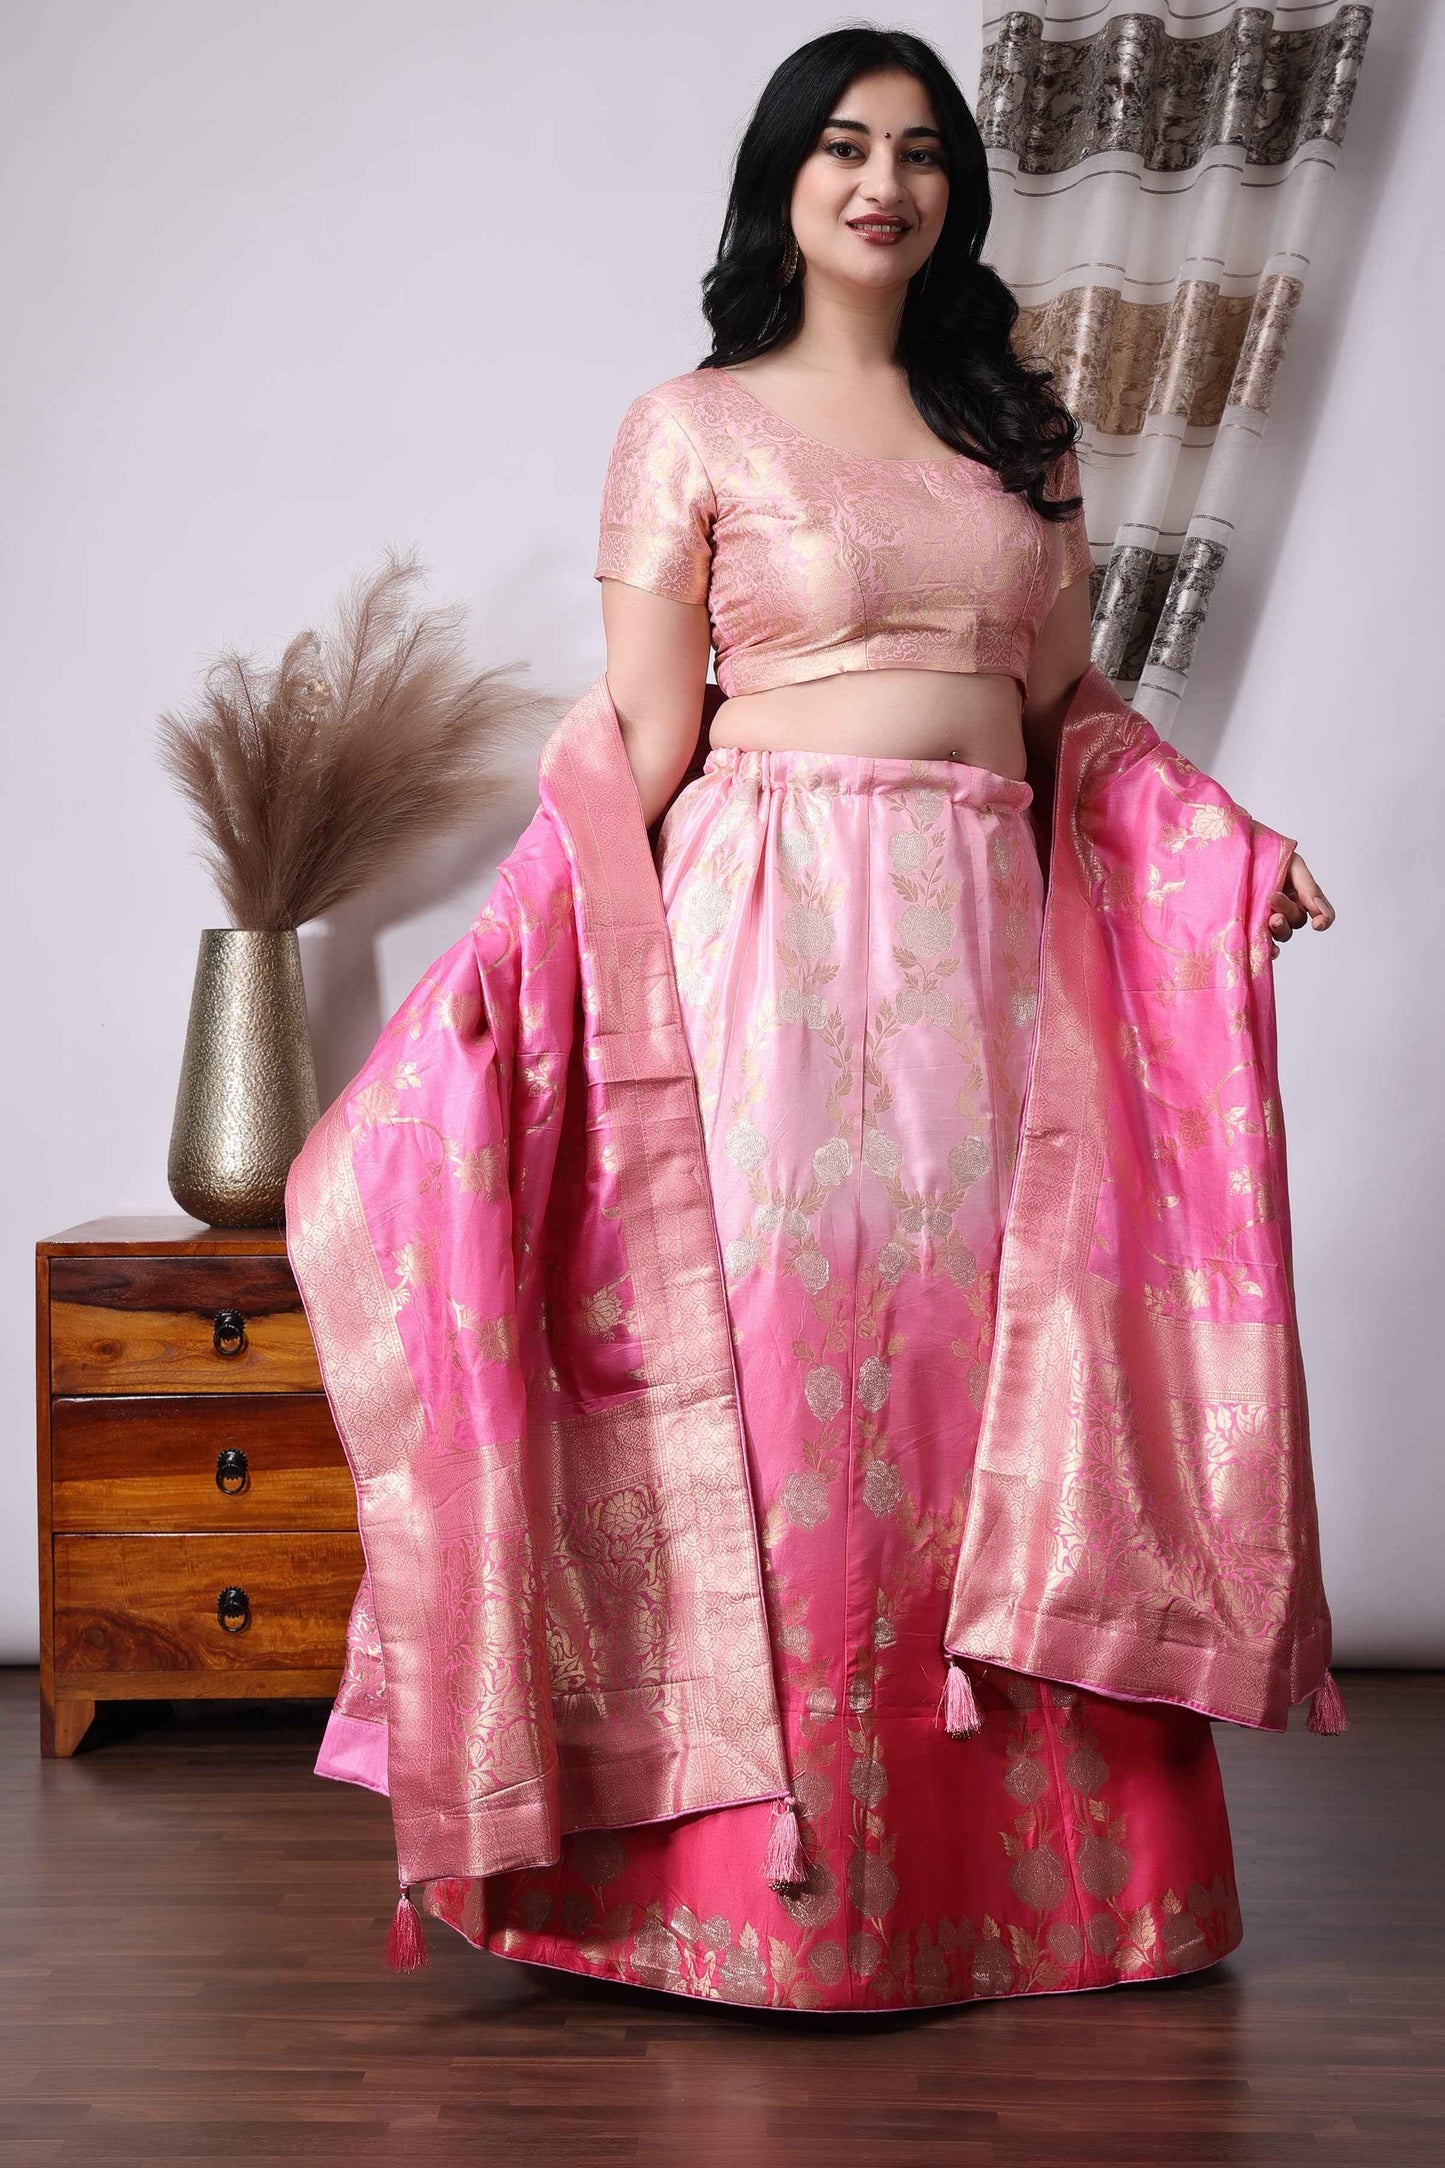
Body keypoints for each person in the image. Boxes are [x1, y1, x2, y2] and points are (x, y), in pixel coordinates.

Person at [459, 26, 1334, 2010]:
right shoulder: (688, 426)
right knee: (779, 1379)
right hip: (763, 940)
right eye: (845, 146)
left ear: (960, 191)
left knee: (993, 1379)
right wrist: (515, 970)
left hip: (981, 947)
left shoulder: (1019, 431)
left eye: (923, 152)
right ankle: (742, 1896)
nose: (884, 183)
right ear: (782, 178)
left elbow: (1067, 716)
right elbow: (642, 743)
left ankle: (1033, 1898)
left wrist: (1221, 845)